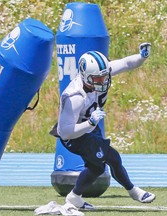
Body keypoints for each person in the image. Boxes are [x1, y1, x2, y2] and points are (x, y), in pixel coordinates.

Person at [51, 42, 156, 210]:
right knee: (112, 157)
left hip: (89, 127)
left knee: (96, 167)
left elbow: (126, 63)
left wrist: (141, 57)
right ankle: (133, 191)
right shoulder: (74, 96)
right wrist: (90, 123)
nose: (103, 80)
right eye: (98, 78)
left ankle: (74, 197)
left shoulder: (100, 72)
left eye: (104, 76)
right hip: (75, 133)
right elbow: (65, 132)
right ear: (85, 76)